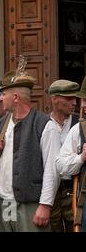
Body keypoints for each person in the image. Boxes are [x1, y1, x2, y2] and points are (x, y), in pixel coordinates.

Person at [0, 69, 60, 232]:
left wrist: (45, 205)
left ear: (15, 98)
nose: (0, 98)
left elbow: (52, 170)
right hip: (3, 203)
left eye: (3, 94)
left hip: (31, 205)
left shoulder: (45, 125)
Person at [47, 79, 79, 232]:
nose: (74, 103)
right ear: (55, 99)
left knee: (76, 226)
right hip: (50, 190)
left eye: (75, 98)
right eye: (69, 98)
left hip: (73, 186)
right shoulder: (42, 123)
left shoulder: (80, 124)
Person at [55, 76, 86, 231]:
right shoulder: (79, 129)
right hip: (57, 192)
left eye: (77, 99)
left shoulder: (76, 123)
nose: (78, 104)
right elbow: (59, 164)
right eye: (70, 98)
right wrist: (81, 158)